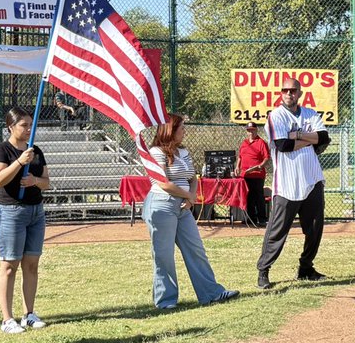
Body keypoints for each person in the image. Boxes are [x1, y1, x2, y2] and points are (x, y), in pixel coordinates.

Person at [141, 113, 239, 309]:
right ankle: (166, 301)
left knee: (196, 250)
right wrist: (188, 196)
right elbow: (162, 182)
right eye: (182, 128)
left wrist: (191, 196)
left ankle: (211, 293)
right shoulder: (156, 152)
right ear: (170, 130)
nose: (185, 131)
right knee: (164, 255)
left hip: (183, 207)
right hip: (162, 205)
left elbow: (193, 177)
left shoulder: (182, 152)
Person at [256, 77, 330, 289]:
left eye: (293, 90)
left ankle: (306, 268)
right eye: (285, 90)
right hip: (287, 184)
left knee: (314, 229)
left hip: (312, 179)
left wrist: (297, 135)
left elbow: (323, 138)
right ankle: (263, 270)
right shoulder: (276, 116)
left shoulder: (310, 113)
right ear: (281, 93)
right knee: (277, 230)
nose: (289, 93)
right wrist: (309, 139)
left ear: (300, 93)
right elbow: (283, 145)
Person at [0, 107, 51, 333]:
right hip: (10, 212)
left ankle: (29, 314)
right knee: (9, 266)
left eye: (31, 125)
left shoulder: (36, 151)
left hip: (36, 212)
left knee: (31, 264)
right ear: (11, 127)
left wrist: (35, 180)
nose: (28, 130)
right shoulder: (0, 150)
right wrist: (19, 163)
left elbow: (46, 182)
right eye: (24, 125)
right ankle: (7, 319)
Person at [237, 121, 270, 226]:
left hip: (257, 174)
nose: (251, 132)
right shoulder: (244, 143)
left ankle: (262, 219)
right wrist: (237, 167)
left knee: (258, 196)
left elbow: (266, 158)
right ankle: (251, 218)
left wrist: (260, 166)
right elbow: (240, 157)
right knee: (248, 196)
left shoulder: (261, 142)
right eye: (249, 130)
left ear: (256, 130)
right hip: (245, 174)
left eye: (252, 130)